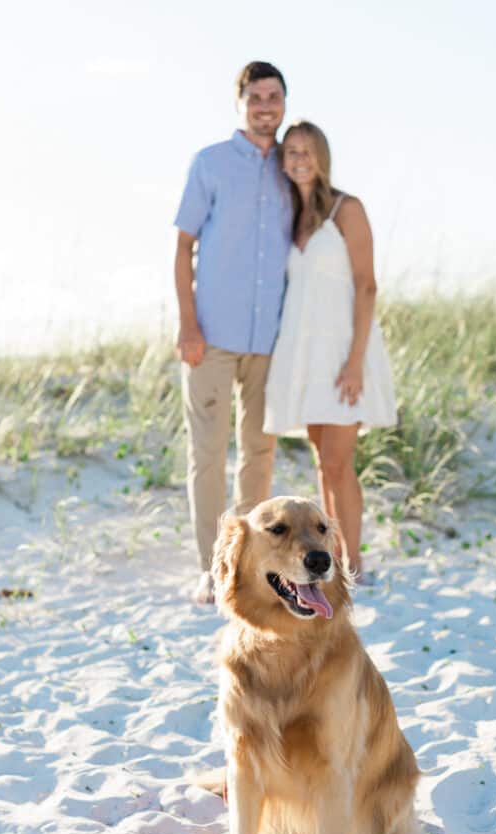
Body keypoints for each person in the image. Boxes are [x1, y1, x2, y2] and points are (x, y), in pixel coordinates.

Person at [174, 61, 292, 604]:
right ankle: (209, 566)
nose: (265, 106)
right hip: (212, 336)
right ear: (241, 102)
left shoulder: (295, 165)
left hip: (270, 339)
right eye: (256, 97)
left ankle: (251, 566)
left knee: (259, 455)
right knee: (208, 455)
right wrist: (188, 324)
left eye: (274, 97)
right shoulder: (212, 163)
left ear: (284, 103)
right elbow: (183, 247)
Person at [264, 121, 397, 580]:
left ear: (322, 156)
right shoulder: (293, 216)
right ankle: (334, 556)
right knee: (324, 464)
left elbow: (366, 286)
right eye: (291, 151)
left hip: (344, 351)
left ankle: (353, 562)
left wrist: (355, 360)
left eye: (307, 150)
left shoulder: (347, 208)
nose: (299, 159)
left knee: (341, 463)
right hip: (306, 356)